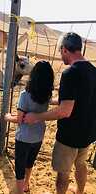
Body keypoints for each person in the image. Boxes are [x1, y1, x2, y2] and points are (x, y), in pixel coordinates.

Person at [24, 32, 96, 194]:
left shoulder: (70, 73)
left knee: (63, 173)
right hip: (88, 133)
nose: (60, 55)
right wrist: (50, 100)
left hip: (69, 136)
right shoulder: (93, 71)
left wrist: (36, 117)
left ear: (64, 49)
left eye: (59, 51)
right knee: (81, 164)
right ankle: (79, 191)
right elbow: (79, 98)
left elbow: (64, 111)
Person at [5, 60, 54, 194]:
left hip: (24, 137)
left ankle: (20, 191)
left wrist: (8, 117)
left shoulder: (24, 95)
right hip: (38, 136)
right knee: (30, 161)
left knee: (20, 165)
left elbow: (20, 119)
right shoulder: (47, 95)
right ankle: (26, 184)